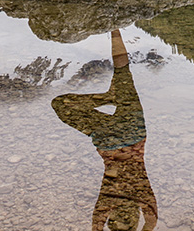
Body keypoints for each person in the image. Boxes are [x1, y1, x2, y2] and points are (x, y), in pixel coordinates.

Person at [51, 30, 158, 231]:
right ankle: (109, 95)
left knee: (123, 72)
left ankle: (115, 27)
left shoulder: (143, 196)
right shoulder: (108, 200)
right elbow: (96, 225)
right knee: (60, 104)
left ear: (136, 217)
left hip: (134, 132)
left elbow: (151, 221)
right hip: (107, 140)